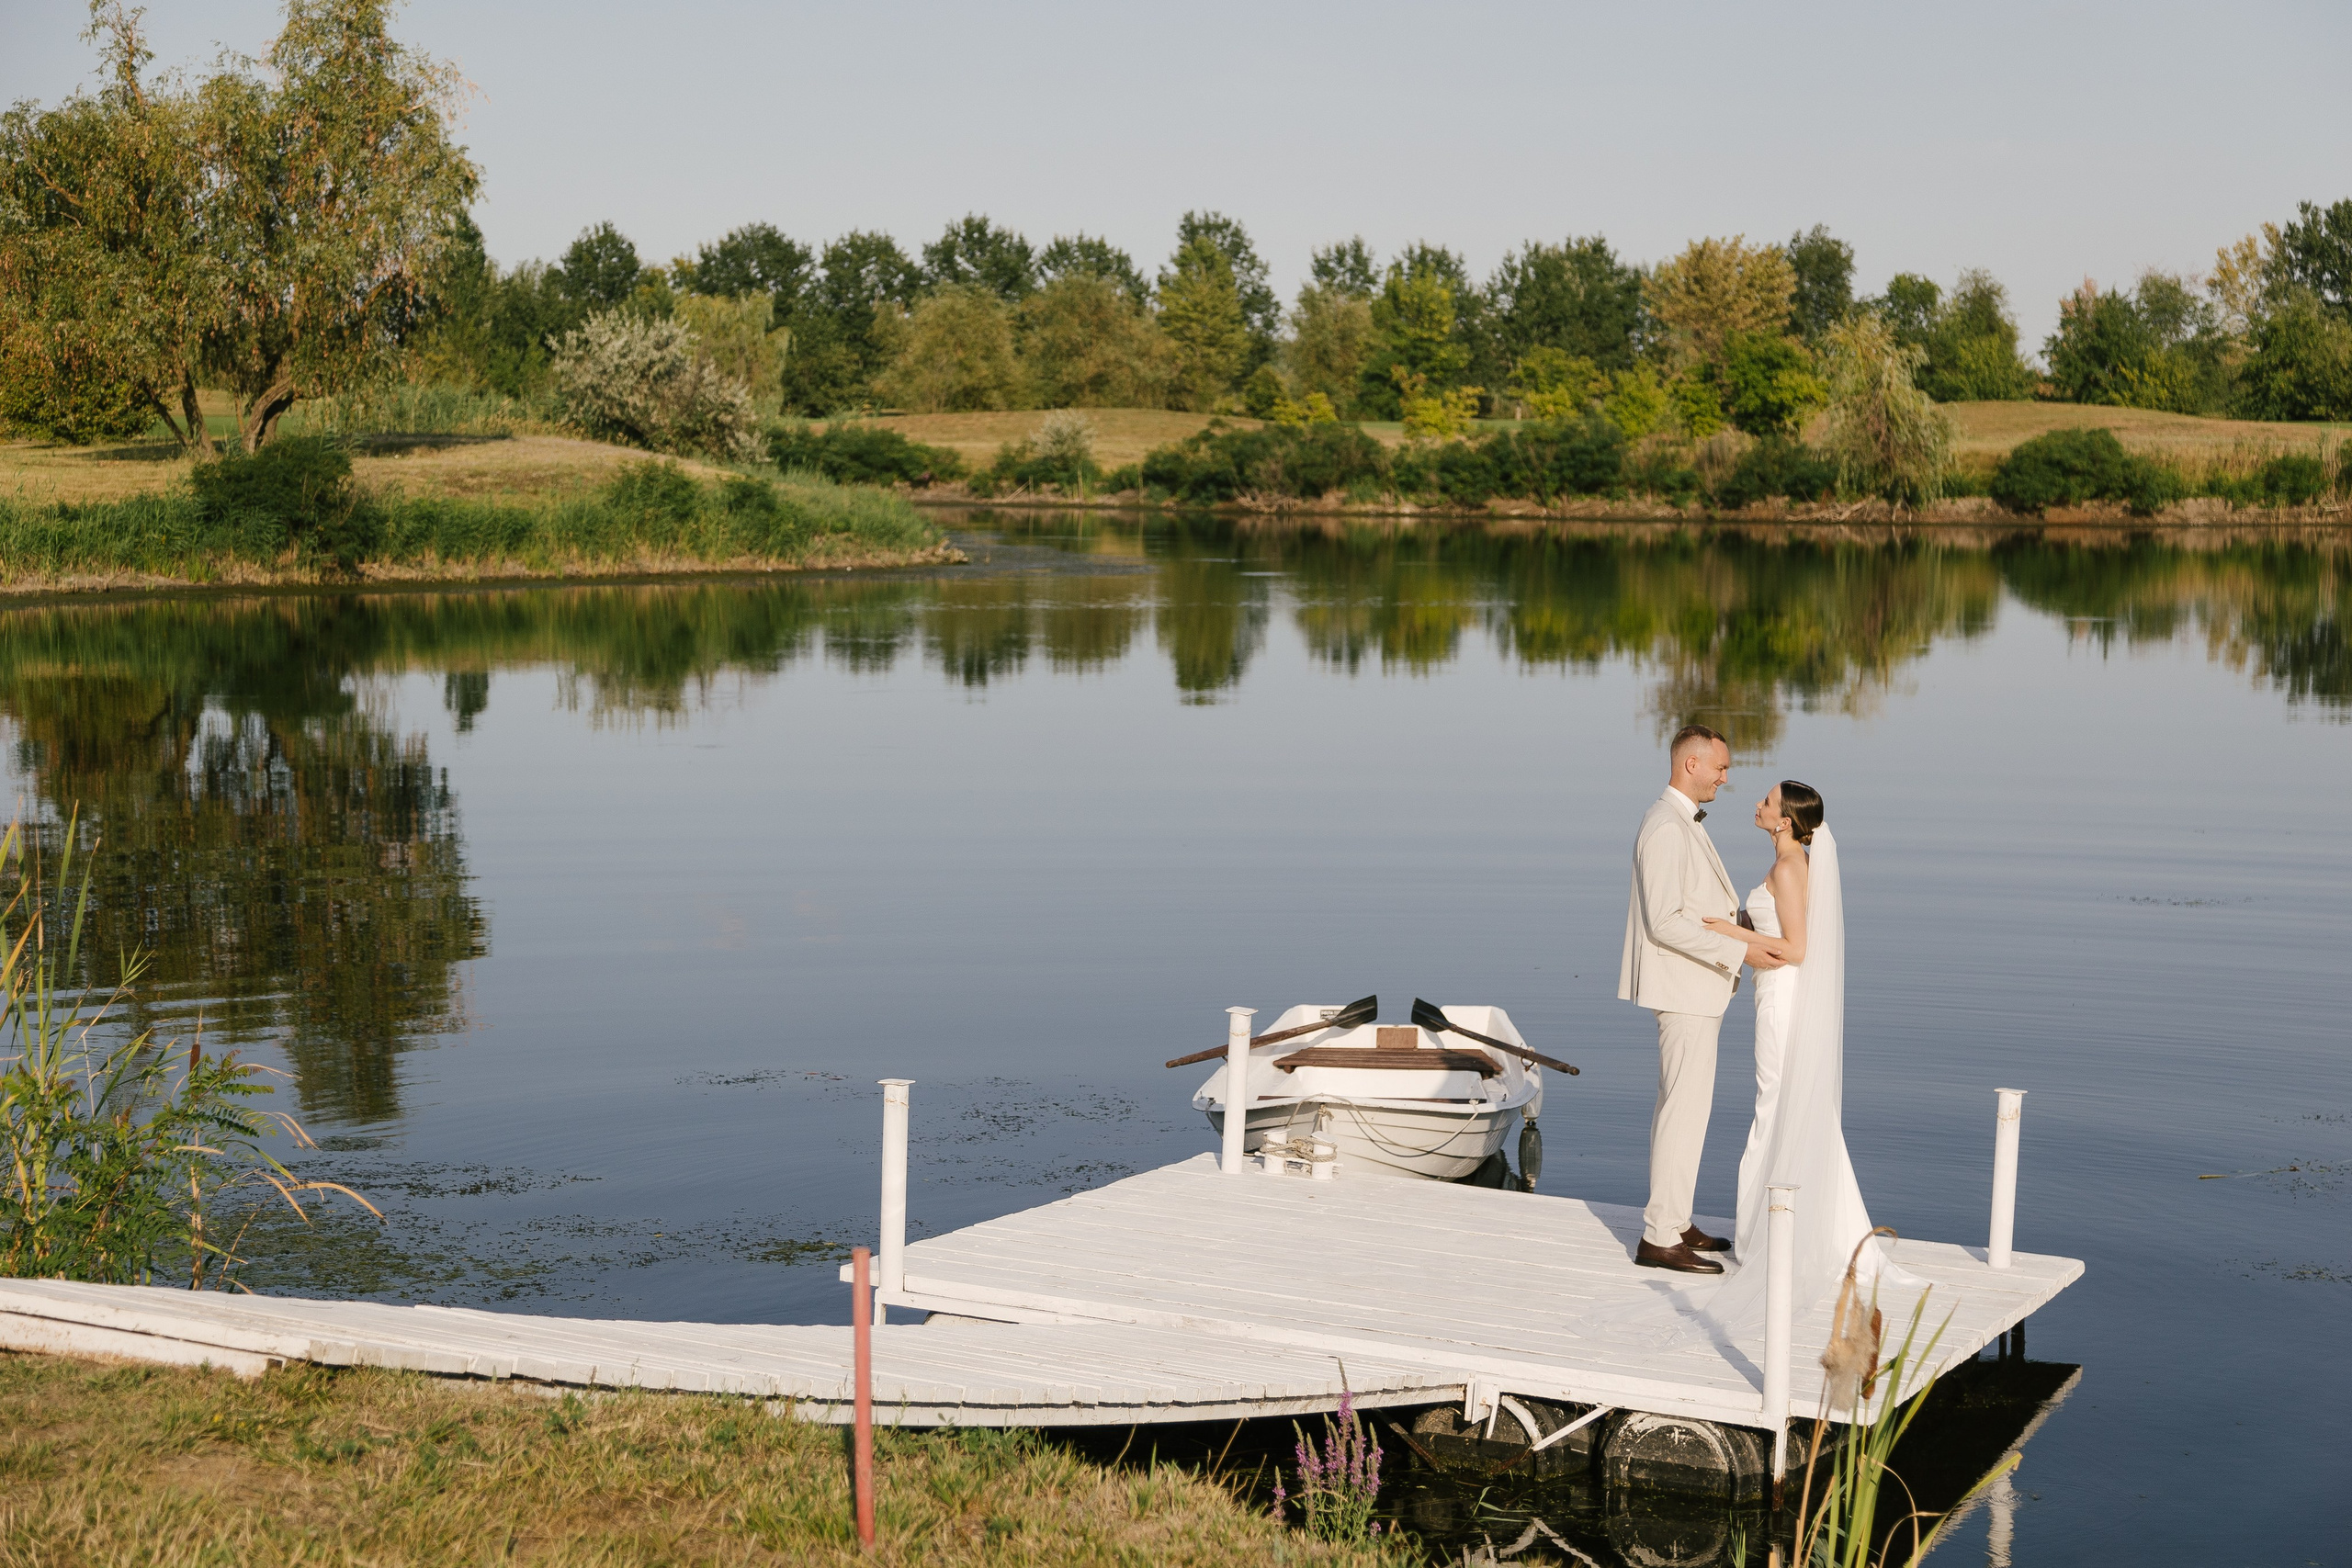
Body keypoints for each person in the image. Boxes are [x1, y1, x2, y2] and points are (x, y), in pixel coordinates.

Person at [1701, 781, 1904, 1308]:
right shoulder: (1790, 864)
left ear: (1786, 821)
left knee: (1774, 1107)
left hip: (1783, 1000)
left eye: (1767, 802)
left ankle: (1765, 1236)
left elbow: (1796, 948)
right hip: (1776, 995)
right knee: (1785, 1107)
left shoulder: (1790, 868)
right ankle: (1781, 1229)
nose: (1758, 805)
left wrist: (1731, 933)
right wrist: (1746, 927)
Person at [1619, 725, 1784, 1275]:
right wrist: (1740, 954)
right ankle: (1659, 1237)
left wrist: (1744, 927)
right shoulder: (1665, 826)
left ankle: (1677, 1218)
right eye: (1721, 766)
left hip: (1696, 986)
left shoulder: (1679, 821)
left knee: (1688, 1109)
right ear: (1691, 764)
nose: (1726, 776)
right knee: (1681, 1112)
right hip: (1684, 987)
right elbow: (1665, 922)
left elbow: (1694, 906)